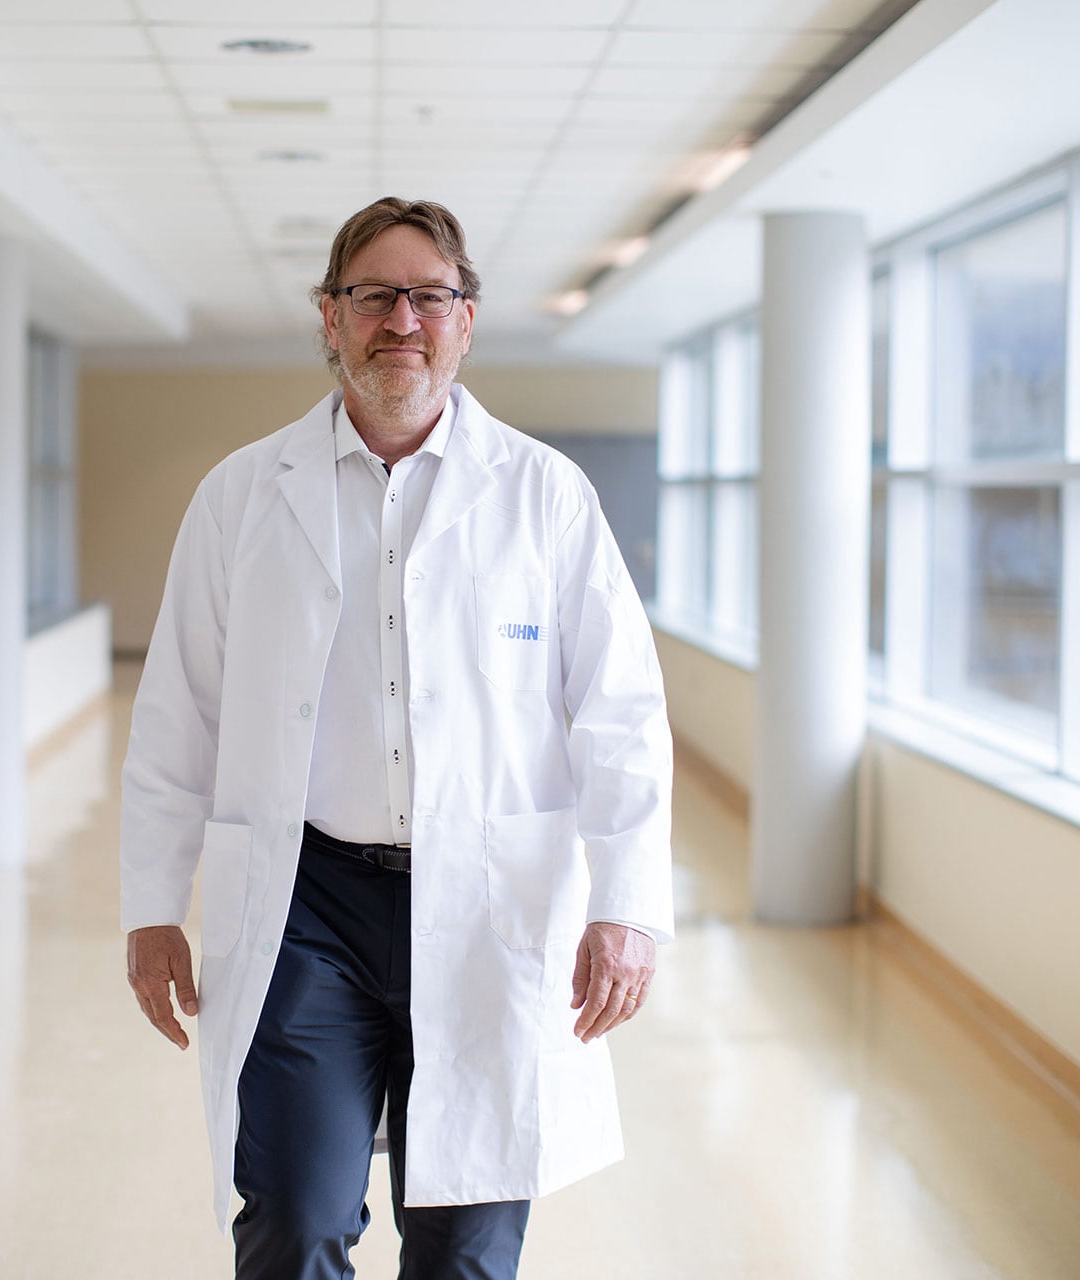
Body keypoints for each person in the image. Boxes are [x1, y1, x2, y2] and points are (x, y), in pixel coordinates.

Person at [120, 196, 674, 1280]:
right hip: (305, 904)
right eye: (374, 296)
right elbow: (177, 708)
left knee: (465, 1242)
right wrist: (151, 903)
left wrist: (629, 906)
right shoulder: (240, 496)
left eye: (430, 297)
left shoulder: (545, 496)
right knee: (292, 1214)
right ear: (330, 317)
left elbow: (621, 713)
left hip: (485, 900)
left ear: (467, 320)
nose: (402, 322)